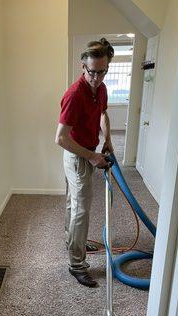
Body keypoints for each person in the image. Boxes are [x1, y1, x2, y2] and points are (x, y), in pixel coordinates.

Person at [55, 38, 114, 287]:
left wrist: (108, 140)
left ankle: (73, 241)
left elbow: (102, 114)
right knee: (81, 209)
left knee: (73, 202)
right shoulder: (75, 94)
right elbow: (60, 138)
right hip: (77, 153)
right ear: (83, 66)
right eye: (92, 72)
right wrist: (91, 156)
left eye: (102, 72)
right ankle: (76, 264)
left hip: (88, 150)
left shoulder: (100, 89)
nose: (97, 77)